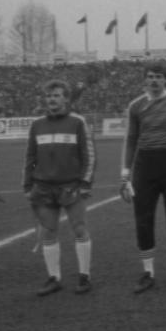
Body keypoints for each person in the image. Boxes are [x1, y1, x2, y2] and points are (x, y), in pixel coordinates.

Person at [121, 63, 166, 293]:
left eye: (159, 77)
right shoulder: (135, 105)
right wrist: (125, 174)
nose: (154, 80)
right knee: (143, 220)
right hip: (145, 166)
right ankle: (148, 272)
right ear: (144, 80)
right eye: (150, 76)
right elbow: (131, 140)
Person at [23, 80, 96, 295]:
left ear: (66, 99)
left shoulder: (78, 122)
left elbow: (89, 155)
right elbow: (30, 157)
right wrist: (28, 184)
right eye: (48, 96)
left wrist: (85, 183)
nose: (51, 99)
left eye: (56, 95)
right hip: (44, 187)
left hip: (71, 187)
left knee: (79, 229)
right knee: (49, 232)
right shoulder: (37, 125)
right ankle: (53, 278)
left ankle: (84, 276)